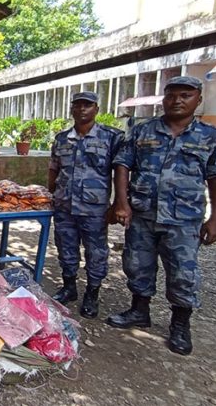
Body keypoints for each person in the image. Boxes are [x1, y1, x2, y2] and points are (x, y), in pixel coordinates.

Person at [107, 76, 216, 356]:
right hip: (143, 214)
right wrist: (121, 203)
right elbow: (123, 165)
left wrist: (215, 219)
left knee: (182, 273)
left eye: (185, 95)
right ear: (163, 99)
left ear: (198, 100)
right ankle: (139, 310)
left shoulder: (210, 136)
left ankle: (180, 324)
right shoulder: (142, 131)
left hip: (184, 219)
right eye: (171, 95)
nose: (177, 100)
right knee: (137, 264)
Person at [47, 91, 124, 319]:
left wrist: (118, 204)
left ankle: (92, 293)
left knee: (96, 252)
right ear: (72, 109)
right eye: (78, 105)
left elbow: (121, 171)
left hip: (94, 209)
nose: (82, 109)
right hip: (64, 206)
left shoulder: (112, 137)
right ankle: (69, 287)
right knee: (66, 249)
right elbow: (54, 169)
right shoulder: (62, 139)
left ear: (96, 109)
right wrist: (50, 193)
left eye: (87, 105)